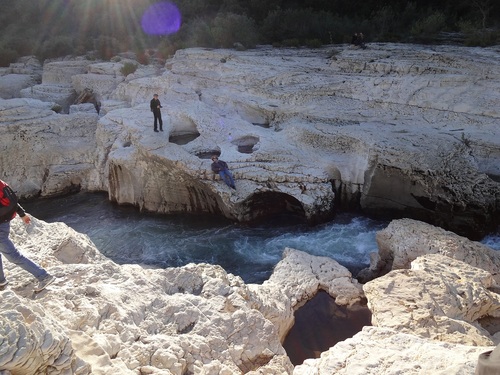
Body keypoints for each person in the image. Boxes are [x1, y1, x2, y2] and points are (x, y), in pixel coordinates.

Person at [0, 180, 55, 292]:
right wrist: (22, 214)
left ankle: (43, 276)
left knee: (13, 256)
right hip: (4, 221)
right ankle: (1, 281)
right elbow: (12, 199)